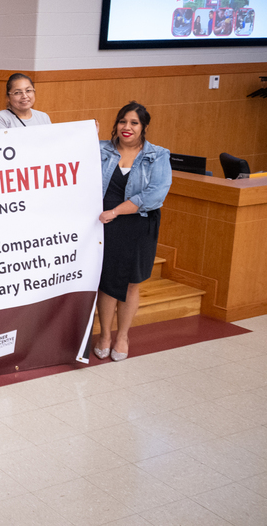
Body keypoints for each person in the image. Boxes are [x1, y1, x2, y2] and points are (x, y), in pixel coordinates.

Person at [94, 102, 171, 362]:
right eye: (122, 121)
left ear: (144, 127)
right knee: (106, 282)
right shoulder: (99, 148)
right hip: (105, 227)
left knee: (130, 283)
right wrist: (83, 138)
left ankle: (123, 336)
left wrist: (116, 211)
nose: (127, 127)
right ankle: (104, 335)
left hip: (138, 225)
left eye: (134, 123)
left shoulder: (158, 155)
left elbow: (155, 194)